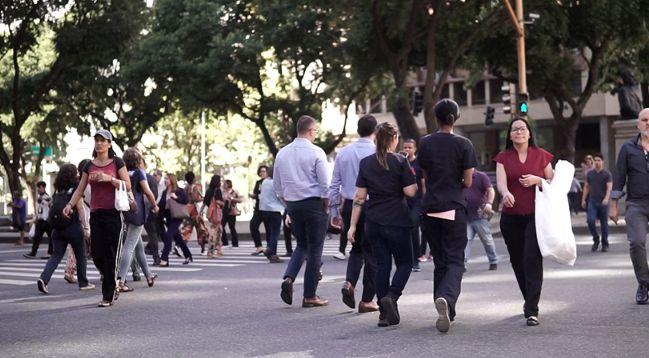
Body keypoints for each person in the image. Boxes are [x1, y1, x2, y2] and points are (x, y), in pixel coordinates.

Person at [348, 122, 417, 327]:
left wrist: (352, 226)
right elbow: (410, 192)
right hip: (397, 220)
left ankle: (383, 314)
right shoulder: (400, 161)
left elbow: (359, 197)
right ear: (394, 139)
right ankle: (392, 297)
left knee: (381, 266)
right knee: (405, 263)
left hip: (374, 222)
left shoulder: (366, 163)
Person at [418, 99, 477, 333]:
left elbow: (424, 174)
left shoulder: (425, 143)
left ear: (436, 118)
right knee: (455, 260)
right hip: (453, 205)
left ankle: (446, 310)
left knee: (440, 261)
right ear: (455, 117)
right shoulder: (464, 144)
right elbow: (469, 180)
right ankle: (446, 298)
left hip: (430, 206)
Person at [495, 116, 554, 326]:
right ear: (510, 136)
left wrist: (538, 180)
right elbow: (501, 183)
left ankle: (532, 309)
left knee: (532, 259)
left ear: (529, 133)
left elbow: (554, 183)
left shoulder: (541, 156)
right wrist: (505, 193)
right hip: (510, 218)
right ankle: (528, 299)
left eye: (522, 129)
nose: (519, 132)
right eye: (515, 130)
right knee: (518, 261)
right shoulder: (503, 157)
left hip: (535, 217)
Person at [63, 129, 131, 307]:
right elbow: (80, 189)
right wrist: (70, 205)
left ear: (109, 144)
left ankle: (108, 295)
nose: (99, 143)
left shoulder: (117, 162)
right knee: (96, 254)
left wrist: (109, 178)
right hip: (96, 214)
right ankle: (113, 280)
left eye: (103, 140)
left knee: (110, 255)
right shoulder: (89, 165)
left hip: (113, 214)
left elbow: (128, 186)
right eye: (97, 140)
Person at [275, 115, 330, 308]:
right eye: (316, 131)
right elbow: (325, 184)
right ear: (310, 130)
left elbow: (278, 187)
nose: (316, 135)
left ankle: (289, 278)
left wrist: (288, 204)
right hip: (314, 203)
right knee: (315, 248)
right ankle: (309, 295)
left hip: (293, 204)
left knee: (302, 245)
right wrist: (326, 205)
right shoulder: (316, 152)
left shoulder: (282, 153)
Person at [329, 114, 379, 312]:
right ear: (374, 131)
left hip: (351, 205)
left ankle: (350, 282)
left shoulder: (344, 152)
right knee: (373, 254)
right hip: (373, 204)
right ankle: (367, 300)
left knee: (356, 249)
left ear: (358, 131)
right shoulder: (377, 151)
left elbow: (334, 184)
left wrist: (334, 210)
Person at [610, 108, 649, 304]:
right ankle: (644, 283)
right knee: (636, 242)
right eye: (644, 120)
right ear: (638, 124)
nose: (648, 123)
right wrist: (614, 205)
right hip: (636, 203)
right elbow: (619, 176)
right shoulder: (628, 148)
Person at [37, 164, 95, 294]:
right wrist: (86, 227)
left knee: (56, 255)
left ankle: (43, 279)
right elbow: (80, 208)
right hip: (73, 227)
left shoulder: (57, 189)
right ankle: (83, 283)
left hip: (57, 229)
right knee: (81, 255)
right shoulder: (76, 187)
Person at [116, 148, 159, 293]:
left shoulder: (121, 173)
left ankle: (148, 276)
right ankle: (120, 280)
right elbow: (147, 191)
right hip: (137, 212)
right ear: (138, 160)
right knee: (129, 247)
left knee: (138, 246)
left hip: (124, 211)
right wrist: (154, 205)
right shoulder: (140, 173)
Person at [464, 170, 498, 271]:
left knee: (487, 240)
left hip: (480, 214)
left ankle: (493, 260)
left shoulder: (481, 176)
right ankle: (462, 263)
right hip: (466, 215)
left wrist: (489, 203)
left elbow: (491, 190)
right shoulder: (461, 175)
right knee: (465, 240)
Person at [159, 173, 193, 266]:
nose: (165, 180)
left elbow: (186, 200)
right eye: (164, 179)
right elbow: (161, 205)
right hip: (168, 217)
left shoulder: (179, 191)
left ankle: (164, 259)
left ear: (172, 180)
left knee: (168, 235)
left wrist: (176, 197)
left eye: (167, 179)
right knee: (177, 237)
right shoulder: (164, 192)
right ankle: (188, 255)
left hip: (177, 217)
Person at [402, 138, 425, 272]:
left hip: (417, 201)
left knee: (413, 227)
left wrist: (424, 200)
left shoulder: (418, 164)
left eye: (410, 147)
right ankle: (407, 259)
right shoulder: (400, 162)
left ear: (415, 149)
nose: (407, 150)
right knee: (404, 230)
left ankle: (416, 259)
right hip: (403, 202)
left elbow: (423, 183)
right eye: (405, 147)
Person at [581, 153, 612, 252]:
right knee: (590, 221)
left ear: (603, 162)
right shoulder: (590, 174)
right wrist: (583, 199)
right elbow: (586, 187)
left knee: (604, 224)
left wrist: (607, 198)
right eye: (596, 160)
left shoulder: (607, 174)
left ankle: (605, 243)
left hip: (603, 202)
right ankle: (596, 239)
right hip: (592, 201)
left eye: (599, 160)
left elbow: (609, 188)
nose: (597, 162)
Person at [260, 166, 285, 263]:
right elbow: (280, 196)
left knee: (270, 232)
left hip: (265, 209)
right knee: (275, 232)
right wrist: (286, 205)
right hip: (275, 210)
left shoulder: (265, 182)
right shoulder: (276, 183)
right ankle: (272, 252)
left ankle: (269, 249)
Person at [24, 181, 53, 259]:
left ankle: (50, 253)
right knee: (37, 238)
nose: (38, 189)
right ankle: (33, 252)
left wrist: (44, 201)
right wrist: (35, 218)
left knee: (51, 237)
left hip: (46, 220)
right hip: (40, 220)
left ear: (43, 187)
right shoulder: (38, 197)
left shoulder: (47, 197)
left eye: (40, 187)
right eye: (38, 187)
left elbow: (50, 205)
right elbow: (38, 210)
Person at [182, 172, 207, 253]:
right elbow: (195, 198)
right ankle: (203, 248)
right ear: (193, 179)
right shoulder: (194, 187)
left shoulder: (185, 188)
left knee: (187, 229)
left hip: (187, 210)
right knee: (201, 229)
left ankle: (179, 246)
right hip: (194, 211)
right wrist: (202, 199)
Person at [200, 175, 225, 258]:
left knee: (219, 230)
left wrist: (200, 212)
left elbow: (204, 203)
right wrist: (223, 203)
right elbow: (218, 201)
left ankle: (218, 249)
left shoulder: (208, 191)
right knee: (214, 233)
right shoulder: (217, 191)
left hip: (211, 213)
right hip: (216, 214)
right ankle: (210, 252)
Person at [145, 168, 165, 265]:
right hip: (151, 209)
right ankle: (154, 255)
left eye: (156, 175)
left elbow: (155, 195)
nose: (154, 176)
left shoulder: (149, 179)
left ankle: (155, 255)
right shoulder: (149, 179)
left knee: (153, 233)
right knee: (153, 233)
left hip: (151, 209)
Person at [249, 165, 269, 255]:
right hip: (258, 208)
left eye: (264, 171)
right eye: (260, 171)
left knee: (269, 229)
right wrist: (253, 196)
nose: (262, 173)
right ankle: (258, 246)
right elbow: (256, 194)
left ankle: (270, 248)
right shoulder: (259, 182)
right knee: (253, 225)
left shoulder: (271, 182)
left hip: (268, 208)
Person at [221, 179, 241, 247]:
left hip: (231, 211)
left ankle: (235, 243)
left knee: (232, 227)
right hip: (224, 210)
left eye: (225, 184)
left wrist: (232, 199)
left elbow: (240, 200)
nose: (223, 185)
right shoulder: (223, 192)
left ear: (228, 184)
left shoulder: (234, 191)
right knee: (221, 226)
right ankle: (224, 241)